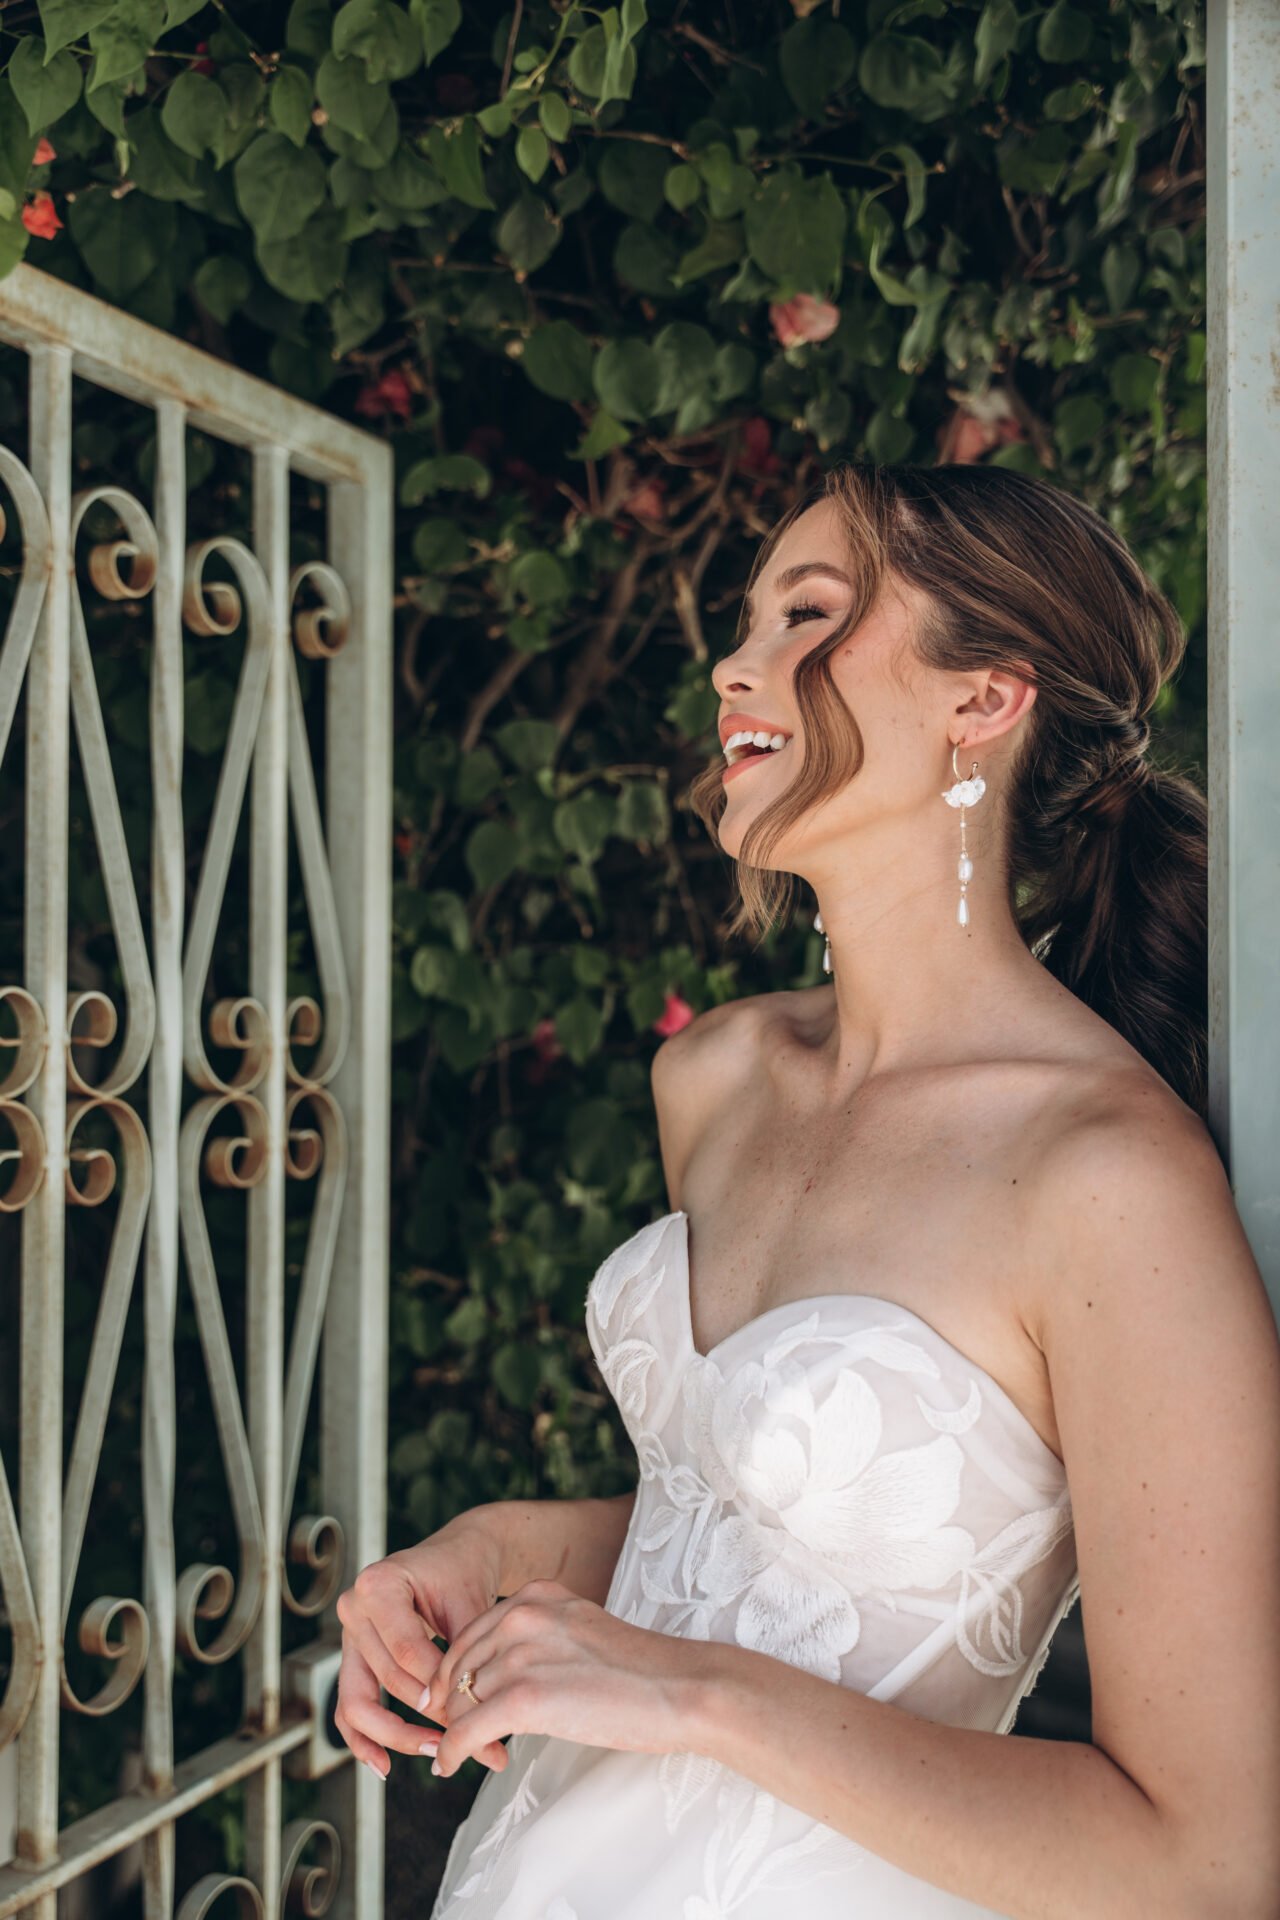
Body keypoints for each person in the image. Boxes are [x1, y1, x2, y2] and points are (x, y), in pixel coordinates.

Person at [336, 464, 1280, 1918]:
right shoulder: (715, 1080)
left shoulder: (1110, 1182)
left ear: (985, 701)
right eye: (750, 620)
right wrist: (501, 1550)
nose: (737, 662)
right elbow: (748, 1539)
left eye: (810, 617)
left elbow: (1206, 1863)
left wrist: (698, 1696)